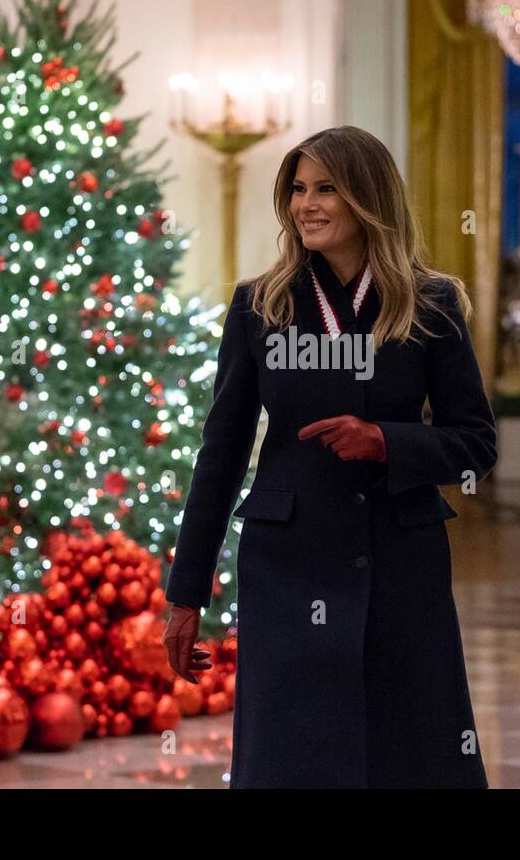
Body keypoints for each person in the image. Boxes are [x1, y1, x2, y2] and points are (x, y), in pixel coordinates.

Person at [162, 124, 498, 788]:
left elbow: (476, 445)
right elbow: (222, 452)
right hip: (288, 566)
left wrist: (388, 442)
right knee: (292, 755)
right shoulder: (260, 307)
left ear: (368, 198)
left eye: (326, 189)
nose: (305, 205)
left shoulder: (432, 306)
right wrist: (186, 590)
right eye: (297, 190)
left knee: (413, 752)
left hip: (401, 566)